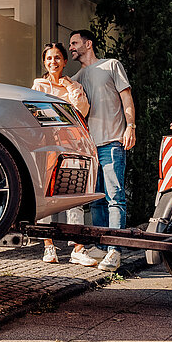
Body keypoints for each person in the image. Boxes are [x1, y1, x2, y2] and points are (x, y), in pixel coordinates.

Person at [68, 29, 136, 273]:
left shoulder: (111, 65)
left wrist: (131, 127)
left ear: (88, 44)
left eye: (75, 43)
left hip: (113, 142)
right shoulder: (77, 77)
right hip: (90, 147)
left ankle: (115, 250)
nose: (71, 47)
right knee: (96, 199)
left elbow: (126, 98)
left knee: (115, 197)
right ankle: (99, 245)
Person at [31, 42, 94, 266]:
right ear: (44, 62)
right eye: (49, 58)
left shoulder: (73, 85)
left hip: (71, 144)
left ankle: (77, 247)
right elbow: (36, 113)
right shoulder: (38, 85)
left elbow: (81, 110)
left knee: (73, 194)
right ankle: (48, 246)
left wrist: (68, 87)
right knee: (47, 196)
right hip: (47, 145)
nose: (53, 62)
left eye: (57, 58)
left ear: (65, 61)